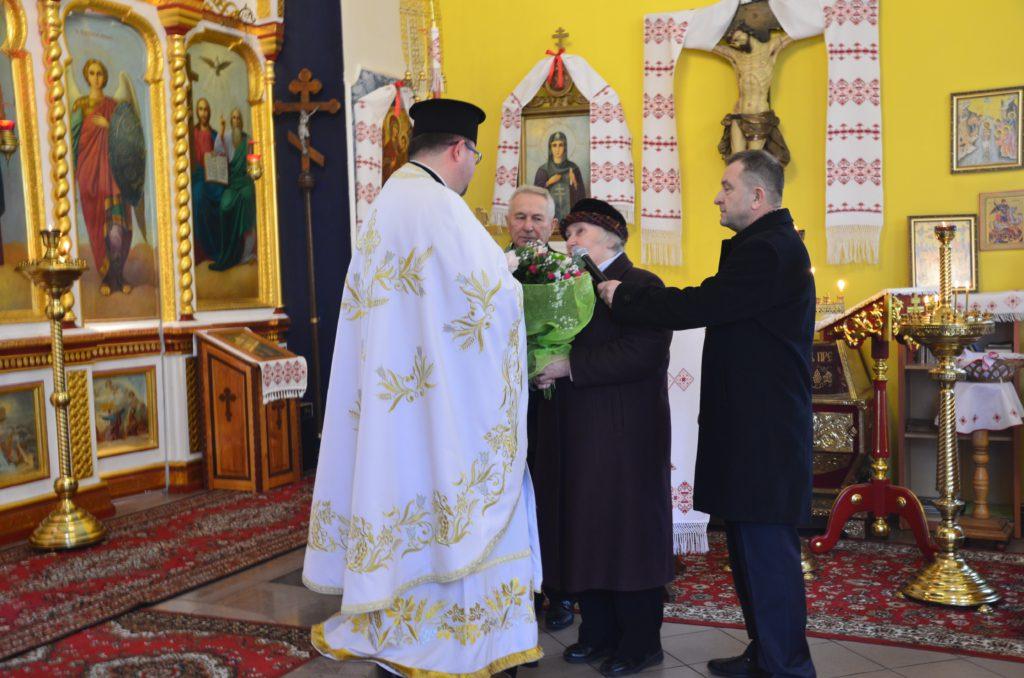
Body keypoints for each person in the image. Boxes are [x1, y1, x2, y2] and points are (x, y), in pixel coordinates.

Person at [303, 98, 542, 676]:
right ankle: (463, 639)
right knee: (456, 499)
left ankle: (394, 625)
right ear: (459, 149)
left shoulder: (389, 199)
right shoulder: (439, 205)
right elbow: (493, 298)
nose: (472, 171)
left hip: (397, 399)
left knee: (400, 490)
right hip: (442, 403)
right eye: (474, 158)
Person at [597, 150, 815, 678]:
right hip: (750, 427)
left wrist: (626, 297)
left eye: (726, 186)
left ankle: (787, 666)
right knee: (744, 548)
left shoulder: (771, 251)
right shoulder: (764, 248)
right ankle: (766, 653)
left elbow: (700, 305)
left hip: (764, 432)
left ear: (757, 196)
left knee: (765, 551)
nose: (717, 196)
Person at [532, 198, 673, 676]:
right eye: (567, 234)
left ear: (612, 239)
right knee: (584, 528)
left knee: (628, 535)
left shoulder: (642, 285)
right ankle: (596, 634)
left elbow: (644, 352)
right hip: (576, 432)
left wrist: (569, 366)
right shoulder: (565, 286)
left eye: (580, 234)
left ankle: (640, 643)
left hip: (626, 435)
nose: (568, 242)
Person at [504, 184, 576, 632]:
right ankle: (519, 597)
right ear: (506, 221)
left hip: (555, 408)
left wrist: (548, 363)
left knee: (555, 498)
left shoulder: (568, 271)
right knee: (510, 503)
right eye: (520, 217)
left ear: (552, 225)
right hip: (501, 409)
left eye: (537, 219)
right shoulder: (490, 268)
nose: (528, 227)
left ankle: (562, 590)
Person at [70, 59, 133, 296]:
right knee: (99, 228)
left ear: (104, 77)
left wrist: (110, 125)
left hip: (114, 177)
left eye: (100, 73)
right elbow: (75, 142)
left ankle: (118, 275)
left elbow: (128, 139)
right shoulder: (80, 106)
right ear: (86, 76)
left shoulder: (114, 106)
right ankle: (107, 277)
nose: (96, 77)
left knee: (117, 230)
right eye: (92, 73)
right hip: (91, 178)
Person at [211, 108, 257, 270]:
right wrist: (222, 130)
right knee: (225, 206)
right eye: (234, 118)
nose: (236, 121)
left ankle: (246, 254)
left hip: (245, 183)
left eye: (238, 118)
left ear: (241, 121)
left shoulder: (248, 139)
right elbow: (217, 150)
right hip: (233, 184)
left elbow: (252, 163)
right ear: (230, 121)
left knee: (247, 199)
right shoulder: (228, 137)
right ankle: (229, 252)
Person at [190, 97, 223, 265]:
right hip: (198, 178)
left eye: (206, 109)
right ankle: (202, 250)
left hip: (212, 179)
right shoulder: (191, 134)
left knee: (222, 196)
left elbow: (221, 160)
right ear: (197, 112)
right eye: (200, 109)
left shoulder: (215, 135)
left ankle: (216, 248)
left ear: (209, 112)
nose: (203, 113)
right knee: (197, 194)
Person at [533, 131, 586, 221]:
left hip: (570, 218)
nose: (557, 149)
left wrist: (575, 183)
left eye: (560, 145)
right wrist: (548, 182)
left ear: (565, 147)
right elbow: (535, 196)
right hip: (549, 219)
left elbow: (582, 197)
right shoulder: (543, 170)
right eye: (554, 145)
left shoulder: (573, 168)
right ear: (550, 148)